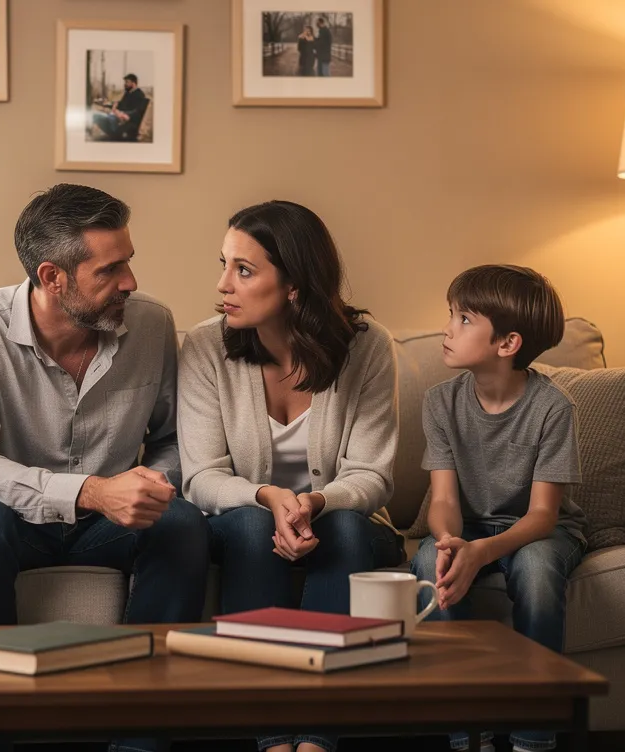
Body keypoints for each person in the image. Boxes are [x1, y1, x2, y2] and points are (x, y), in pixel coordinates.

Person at [0, 183, 210, 752]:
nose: (129, 281)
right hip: (6, 523)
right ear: (52, 277)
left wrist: (150, 483)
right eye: (110, 270)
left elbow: (173, 439)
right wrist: (92, 491)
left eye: (129, 261)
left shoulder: (151, 324)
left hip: (106, 530)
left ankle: (140, 743)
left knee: (181, 524)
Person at [179, 200, 404, 752]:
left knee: (347, 528)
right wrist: (270, 496)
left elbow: (373, 474)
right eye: (224, 264)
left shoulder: (368, 348)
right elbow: (202, 476)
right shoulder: (207, 346)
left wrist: (316, 503)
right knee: (255, 528)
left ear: (296, 285)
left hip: (344, 518)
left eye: (244, 270)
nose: (223, 283)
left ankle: (317, 739)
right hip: (245, 522)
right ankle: (275, 737)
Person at [410, 264, 587, 752]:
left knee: (536, 570)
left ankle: (534, 737)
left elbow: (543, 516)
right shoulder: (440, 403)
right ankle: (471, 736)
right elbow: (442, 500)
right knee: (429, 562)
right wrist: (449, 542)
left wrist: (482, 551)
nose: (447, 328)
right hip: (465, 525)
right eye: (451, 314)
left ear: (507, 344)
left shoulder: (554, 408)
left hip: (537, 531)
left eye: (463, 319)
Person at [91, 73, 150, 141]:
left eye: (127, 82)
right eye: (125, 82)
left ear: (133, 83)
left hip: (123, 120)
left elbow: (137, 111)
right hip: (118, 117)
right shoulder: (128, 93)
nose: (125, 84)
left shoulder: (139, 94)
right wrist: (111, 104)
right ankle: (113, 133)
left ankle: (114, 135)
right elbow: (121, 104)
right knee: (98, 115)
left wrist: (123, 114)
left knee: (96, 115)